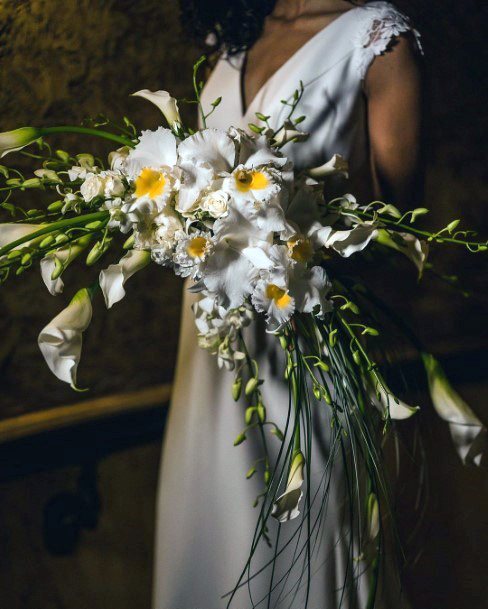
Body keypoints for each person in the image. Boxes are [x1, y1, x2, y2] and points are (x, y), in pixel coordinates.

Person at [153, 1, 424, 608]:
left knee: (309, 551)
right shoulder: (232, 35)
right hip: (208, 352)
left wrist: (293, 222)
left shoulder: (378, 41)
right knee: (209, 536)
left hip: (305, 352)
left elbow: (402, 247)